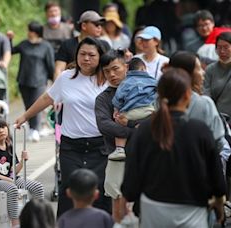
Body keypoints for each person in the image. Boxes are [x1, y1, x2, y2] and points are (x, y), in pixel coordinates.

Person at [15, 37, 111, 217]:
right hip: (71, 147)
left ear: (100, 57)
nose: (86, 59)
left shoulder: (107, 79)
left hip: (100, 147)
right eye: (82, 54)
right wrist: (25, 116)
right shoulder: (66, 77)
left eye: (92, 55)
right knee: (69, 189)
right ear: (76, 55)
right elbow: (46, 98)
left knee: (99, 190)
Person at [122, 68, 226, 227]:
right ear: (187, 95)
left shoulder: (144, 129)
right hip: (193, 212)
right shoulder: (199, 130)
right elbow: (217, 178)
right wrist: (219, 202)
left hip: (152, 210)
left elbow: (131, 179)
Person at [95, 51, 148, 225]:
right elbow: (105, 126)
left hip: (144, 155)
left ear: (126, 67)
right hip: (116, 156)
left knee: (144, 200)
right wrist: (135, 129)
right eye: (106, 71)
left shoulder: (143, 90)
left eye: (115, 69)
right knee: (117, 201)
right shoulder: (103, 98)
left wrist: (127, 123)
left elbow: (153, 117)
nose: (111, 74)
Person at [0, 115, 44, 227]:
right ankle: (15, 223)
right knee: (12, 189)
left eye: (3, 127)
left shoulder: (9, 146)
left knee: (38, 187)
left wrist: (22, 161)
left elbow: (14, 172)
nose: (1, 130)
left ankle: (38, 219)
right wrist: (8, 179)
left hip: (9, 179)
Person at [12, 21, 55, 142]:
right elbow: (11, 50)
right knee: (28, 106)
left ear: (36, 32)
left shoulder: (46, 46)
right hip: (24, 80)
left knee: (36, 104)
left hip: (39, 81)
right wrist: (9, 39)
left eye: (30, 31)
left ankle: (36, 129)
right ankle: (32, 128)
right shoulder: (24, 44)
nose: (28, 33)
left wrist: (55, 81)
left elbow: (50, 65)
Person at [110, 57, 156, 161]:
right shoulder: (152, 80)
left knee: (119, 123)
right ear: (143, 68)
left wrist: (116, 110)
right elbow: (158, 89)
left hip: (129, 113)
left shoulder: (125, 83)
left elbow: (118, 98)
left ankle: (120, 149)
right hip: (148, 110)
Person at [54, 10, 110, 79]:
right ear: (84, 26)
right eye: (96, 24)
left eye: (101, 25)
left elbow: (109, 68)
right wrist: (58, 86)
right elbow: (59, 69)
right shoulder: (67, 44)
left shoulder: (105, 45)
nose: (99, 27)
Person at [204, 32, 231, 118]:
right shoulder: (210, 69)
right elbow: (206, 94)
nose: (222, 51)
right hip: (216, 117)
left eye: (226, 47)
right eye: (219, 48)